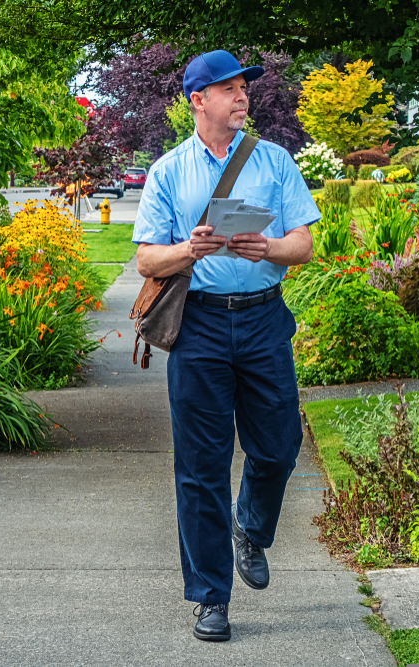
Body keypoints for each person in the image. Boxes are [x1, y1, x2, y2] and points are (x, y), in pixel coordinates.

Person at [132, 49, 320, 642]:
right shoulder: (168, 171)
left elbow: (303, 243)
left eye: (244, 87)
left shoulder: (274, 161)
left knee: (279, 447)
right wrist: (189, 249)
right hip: (200, 328)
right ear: (198, 100)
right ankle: (210, 598)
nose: (243, 97)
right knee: (201, 467)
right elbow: (146, 259)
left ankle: (251, 528)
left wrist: (269, 248)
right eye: (230, 89)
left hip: (264, 320)